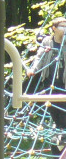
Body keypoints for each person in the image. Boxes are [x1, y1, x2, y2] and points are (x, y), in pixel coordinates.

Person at [27, 16, 66, 148]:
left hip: (64, 84)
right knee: (54, 111)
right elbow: (40, 57)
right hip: (50, 84)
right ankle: (58, 139)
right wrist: (33, 69)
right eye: (62, 26)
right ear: (54, 28)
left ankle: (61, 136)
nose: (65, 29)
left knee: (63, 112)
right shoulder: (47, 42)